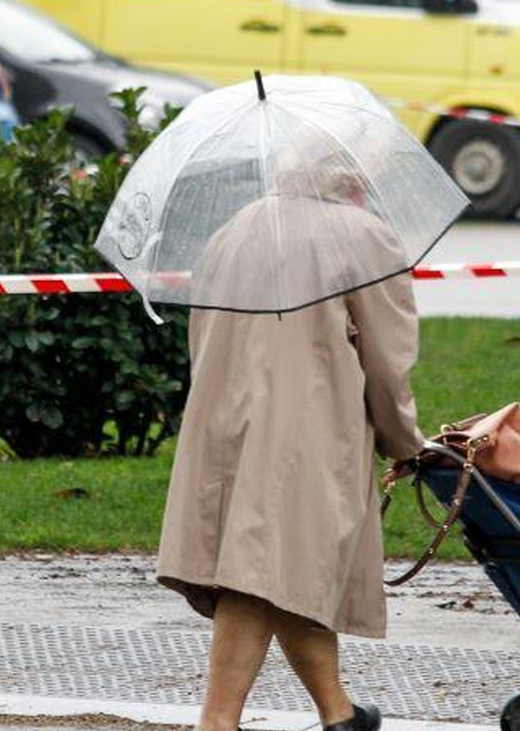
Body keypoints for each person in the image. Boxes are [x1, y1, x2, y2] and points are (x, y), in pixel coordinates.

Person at [156, 168, 424, 731]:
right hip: (305, 425)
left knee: (280, 566)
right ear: (353, 179)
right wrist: (405, 440)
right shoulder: (361, 234)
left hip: (224, 417)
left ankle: (339, 714)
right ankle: (218, 722)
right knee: (261, 569)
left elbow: (200, 330)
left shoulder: (237, 227)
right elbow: (388, 357)